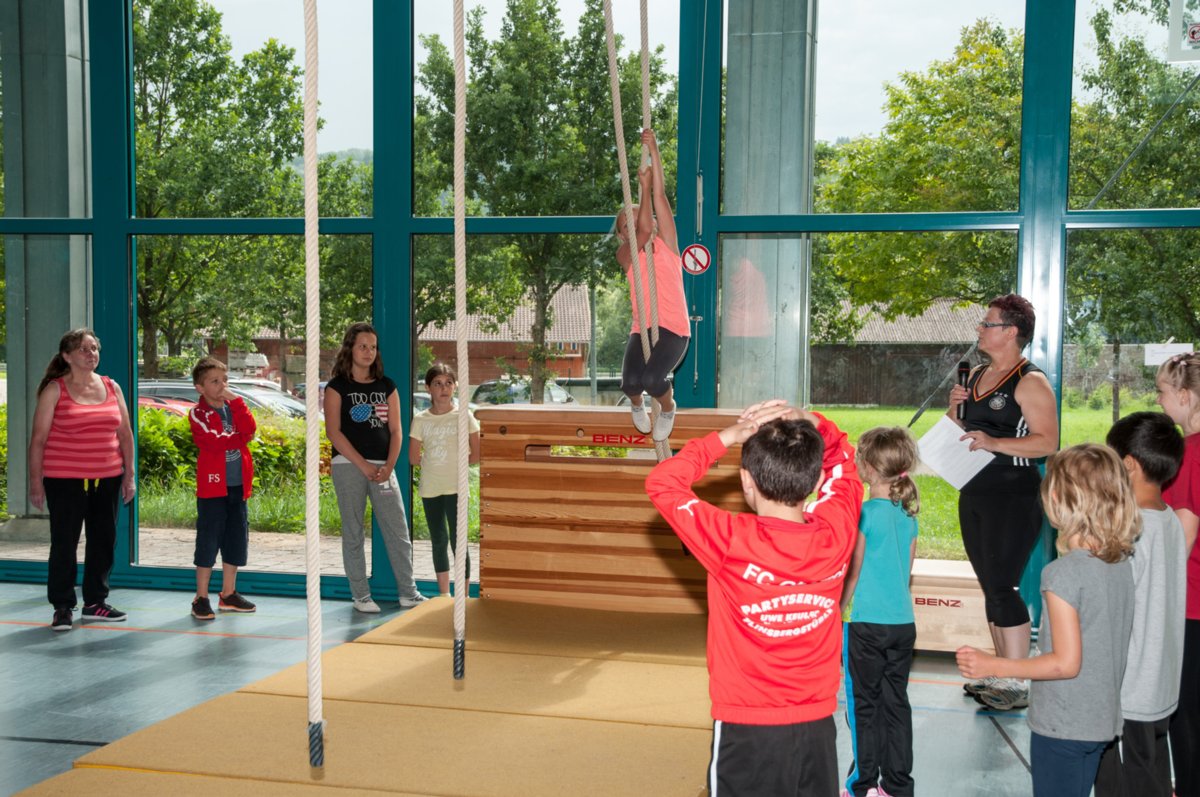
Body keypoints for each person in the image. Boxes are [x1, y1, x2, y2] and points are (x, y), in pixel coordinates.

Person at [645, 399, 861, 795]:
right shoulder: (837, 534)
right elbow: (845, 463)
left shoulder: (730, 539)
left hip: (747, 726)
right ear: (814, 484)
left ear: (746, 481)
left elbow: (662, 483)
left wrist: (726, 437)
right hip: (816, 725)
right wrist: (812, 420)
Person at [956, 444, 1137, 797]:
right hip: (1101, 720)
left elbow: (1065, 663)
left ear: (1057, 498)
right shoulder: (1119, 564)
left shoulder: (1062, 574)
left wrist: (995, 665)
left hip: (1063, 725)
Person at [948, 293, 1059, 710]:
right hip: (973, 490)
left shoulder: (1030, 381)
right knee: (991, 586)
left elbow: (1048, 441)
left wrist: (993, 441)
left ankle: (1017, 681)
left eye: (987, 323)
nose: (980, 329)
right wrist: (953, 411)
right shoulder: (974, 375)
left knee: (1005, 586)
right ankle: (1000, 672)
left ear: (1010, 332)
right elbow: (962, 432)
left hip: (1013, 495)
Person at [1094, 412, 1186, 797]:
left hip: (1130, 685)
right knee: (1150, 767)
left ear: (1127, 465)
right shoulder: (1171, 521)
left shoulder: (1132, 529)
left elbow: (1114, 607)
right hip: (1160, 679)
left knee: (1125, 774)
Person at [28, 329, 136, 631]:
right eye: (83, 349)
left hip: (108, 478)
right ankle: (62, 606)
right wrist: (36, 482)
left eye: (94, 348)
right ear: (67, 356)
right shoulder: (55, 389)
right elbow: (38, 440)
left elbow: (125, 435)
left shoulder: (111, 387)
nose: (91, 354)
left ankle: (95, 603)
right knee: (64, 543)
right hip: (65, 480)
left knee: (103, 540)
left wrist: (130, 476)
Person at [839, 427, 921, 797]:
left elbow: (852, 573)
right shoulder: (908, 515)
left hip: (866, 625)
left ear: (869, 468)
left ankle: (863, 785)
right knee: (896, 706)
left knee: (863, 707)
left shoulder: (865, 514)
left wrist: (837, 609)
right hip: (902, 625)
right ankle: (898, 786)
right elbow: (906, 574)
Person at [324, 322, 426, 612]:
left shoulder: (387, 386)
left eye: (373, 347)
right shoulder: (337, 387)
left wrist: (389, 465)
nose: (368, 352)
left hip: (384, 467)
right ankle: (361, 596)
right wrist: (363, 465)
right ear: (350, 349)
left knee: (397, 528)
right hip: (348, 465)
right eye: (362, 346)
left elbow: (396, 431)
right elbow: (334, 433)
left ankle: (408, 592)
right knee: (353, 530)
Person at [616, 128, 687, 442]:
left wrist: (655, 152)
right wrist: (641, 190)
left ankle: (668, 407)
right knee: (631, 383)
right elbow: (642, 229)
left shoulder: (668, 244)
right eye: (626, 222)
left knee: (654, 378)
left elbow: (659, 198)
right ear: (622, 234)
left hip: (674, 329)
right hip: (641, 327)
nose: (639, 222)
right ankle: (637, 405)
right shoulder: (625, 255)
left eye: (640, 217)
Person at [1156, 351, 1200, 797]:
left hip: (1191, 604)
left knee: (1185, 713)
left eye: (1162, 393)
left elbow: (1183, 536)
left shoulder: (1189, 454)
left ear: (1185, 397)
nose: (1160, 401)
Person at [188, 357, 257, 619]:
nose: (221, 385)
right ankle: (201, 596)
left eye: (224, 380)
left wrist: (236, 401)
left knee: (236, 538)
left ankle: (228, 593)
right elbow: (212, 441)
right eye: (215, 381)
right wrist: (241, 438)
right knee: (208, 539)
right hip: (212, 489)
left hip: (238, 485)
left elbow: (250, 427)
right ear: (200, 387)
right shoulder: (198, 413)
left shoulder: (233, 407)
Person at [409, 363, 480, 597]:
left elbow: (477, 452)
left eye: (448, 383)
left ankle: (464, 594)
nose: (444, 388)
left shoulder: (464, 416)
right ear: (428, 387)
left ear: (456, 386)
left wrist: (455, 465)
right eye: (438, 384)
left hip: (456, 486)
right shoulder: (420, 420)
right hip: (431, 487)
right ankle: (443, 594)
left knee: (459, 541)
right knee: (438, 539)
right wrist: (435, 464)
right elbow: (413, 457)